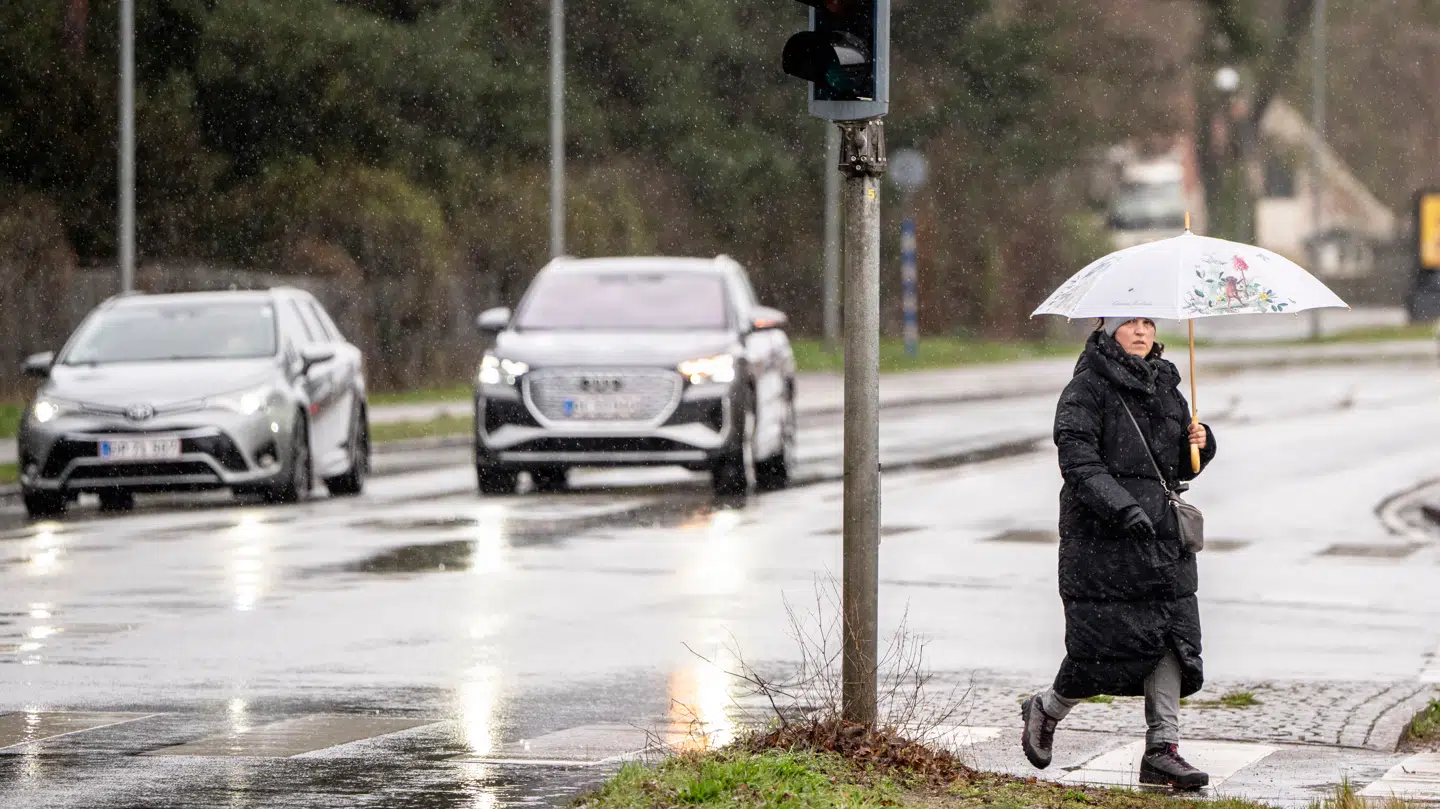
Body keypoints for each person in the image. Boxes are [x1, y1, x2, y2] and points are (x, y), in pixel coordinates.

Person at [1021, 316, 1217, 791]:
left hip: (1162, 540)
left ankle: (1162, 750)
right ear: (1107, 328)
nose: (1141, 330)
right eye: (1130, 322)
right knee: (1102, 648)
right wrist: (1122, 507)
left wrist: (1201, 445)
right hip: (1103, 543)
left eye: (1148, 322)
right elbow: (1079, 462)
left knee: (1172, 638)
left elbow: (1171, 465)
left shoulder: (1167, 383)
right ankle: (1047, 709)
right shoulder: (1085, 390)